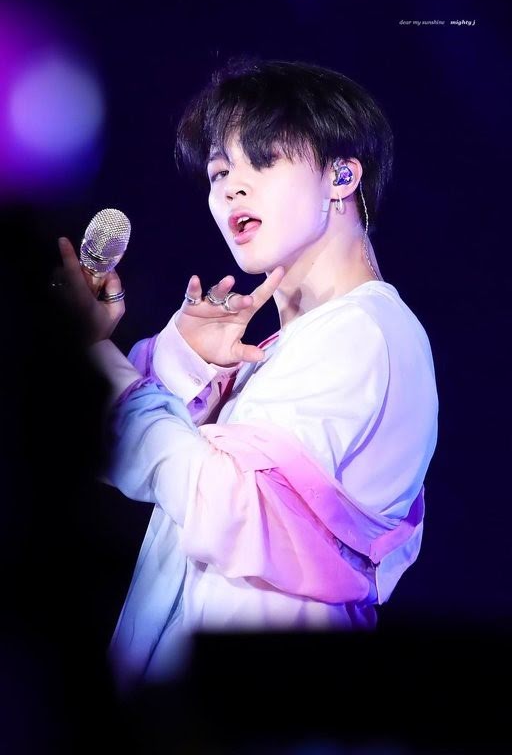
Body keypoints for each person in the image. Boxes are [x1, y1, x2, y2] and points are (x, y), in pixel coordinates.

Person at [58, 57, 439, 696]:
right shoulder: (286, 348)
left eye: (261, 160)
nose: (232, 188)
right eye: (219, 172)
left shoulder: (365, 330)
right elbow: (104, 445)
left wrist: (100, 365)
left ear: (342, 176)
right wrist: (180, 354)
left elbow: (225, 503)